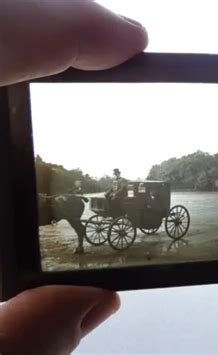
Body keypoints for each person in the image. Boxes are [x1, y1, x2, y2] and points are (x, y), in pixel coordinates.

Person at [0, 1, 148, 354]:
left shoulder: (123, 181)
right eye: (113, 173)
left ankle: (83, 240)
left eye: (115, 173)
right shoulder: (113, 180)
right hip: (115, 196)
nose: (114, 174)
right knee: (106, 198)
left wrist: (120, 187)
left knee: (114, 198)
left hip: (124, 197)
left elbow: (123, 188)